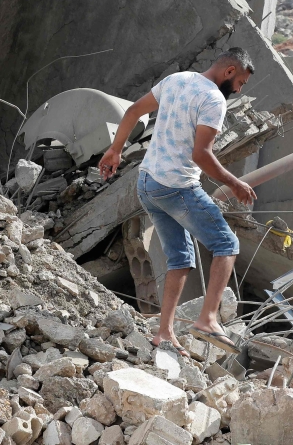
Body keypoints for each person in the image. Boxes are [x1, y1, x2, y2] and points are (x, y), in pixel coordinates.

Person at [98, 48, 256, 357]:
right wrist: (235, 183)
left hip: (147, 184)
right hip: (176, 187)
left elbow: (133, 112)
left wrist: (116, 149)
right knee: (227, 244)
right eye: (241, 82)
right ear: (229, 71)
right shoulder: (214, 99)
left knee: (181, 259)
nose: (239, 89)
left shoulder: (177, 79)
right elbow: (201, 155)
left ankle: (164, 333)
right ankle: (208, 319)